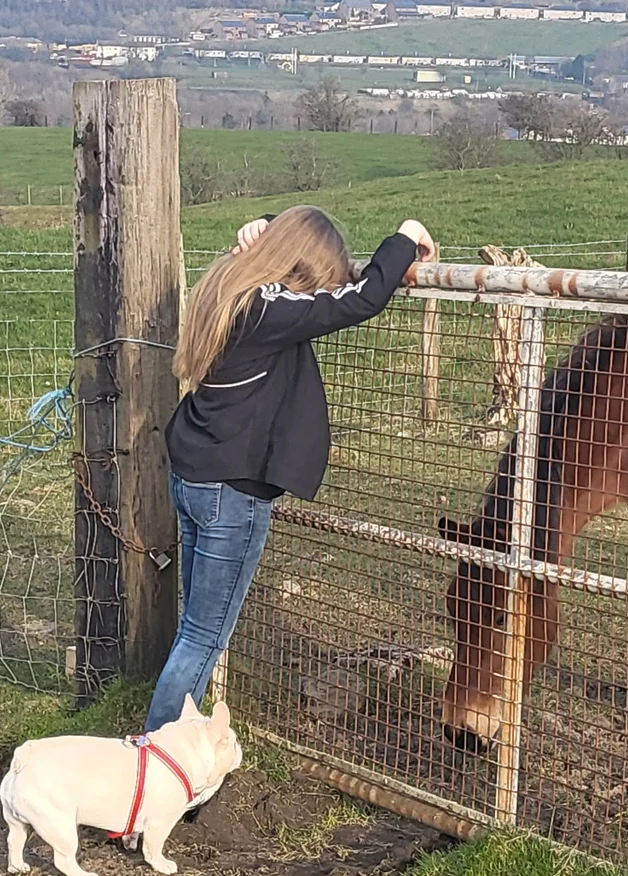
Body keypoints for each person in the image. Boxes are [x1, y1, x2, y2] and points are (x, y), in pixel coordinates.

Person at [143, 204, 436, 731]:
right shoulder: (267, 312)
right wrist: (406, 237)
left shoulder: (229, 285)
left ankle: (164, 750)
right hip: (231, 492)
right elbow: (361, 299)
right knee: (203, 637)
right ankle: (157, 761)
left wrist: (263, 219)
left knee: (193, 628)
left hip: (194, 474)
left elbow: (298, 245)